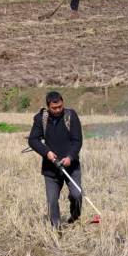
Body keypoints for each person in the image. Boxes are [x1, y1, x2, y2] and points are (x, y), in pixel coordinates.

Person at [28, 91, 83, 228]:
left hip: (71, 166)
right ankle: (56, 227)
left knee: (77, 195)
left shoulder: (71, 116)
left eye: (60, 107)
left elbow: (77, 140)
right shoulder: (40, 119)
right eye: (54, 108)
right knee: (52, 201)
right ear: (48, 107)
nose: (58, 110)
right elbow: (33, 140)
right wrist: (47, 153)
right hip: (51, 167)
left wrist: (70, 157)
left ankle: (74, 218)